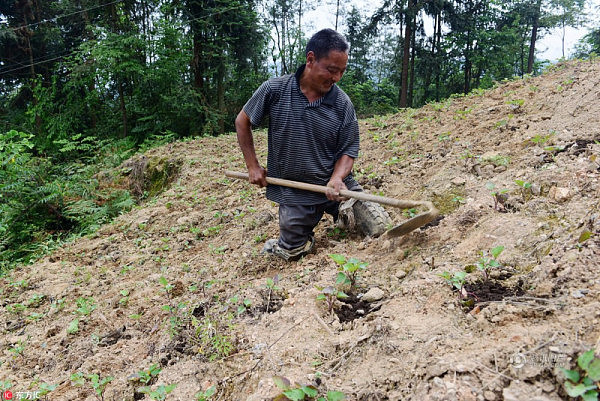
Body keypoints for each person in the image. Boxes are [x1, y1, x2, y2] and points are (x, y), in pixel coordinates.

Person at [235, 28, 388, 261]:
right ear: (310, 59)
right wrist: (252, 166)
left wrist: (337, 178)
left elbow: (348, 149)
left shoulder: (342, 103)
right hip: (294, 192)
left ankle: (342, 217)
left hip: (336, 187)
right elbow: (242, 121)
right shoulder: (275, 90)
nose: (336, 78)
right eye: (331, 70)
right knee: (291, 252)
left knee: (379, 226)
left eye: (341, 72)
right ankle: (292, 239)